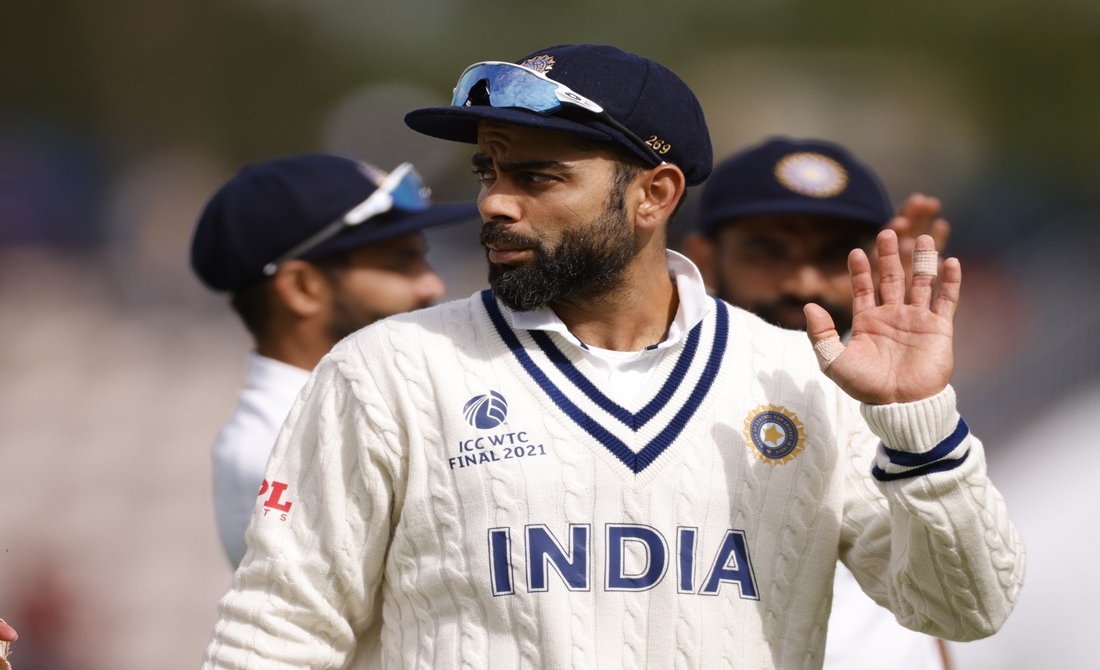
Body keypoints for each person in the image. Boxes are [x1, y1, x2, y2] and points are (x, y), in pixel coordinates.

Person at [201, 44, 1025, 669]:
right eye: (489, 170)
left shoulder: (800, 380)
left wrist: (921, 424)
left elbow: (966, 608)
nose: (493, 201)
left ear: (654, 195)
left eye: (538, 177)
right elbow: (273, 636)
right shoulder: (388, 370)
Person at [682, 137, 953, 670]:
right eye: (768, 251)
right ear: (705, 258)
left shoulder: (896, 391)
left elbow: (932, 584)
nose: (803, 282)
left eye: (834, 255)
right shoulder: (663, 386)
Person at [189, 153, 478, 568]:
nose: (433, 284)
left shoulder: (343, 415)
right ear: (302, 288)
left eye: (423, 257)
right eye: (400, 262)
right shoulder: (284, 449)